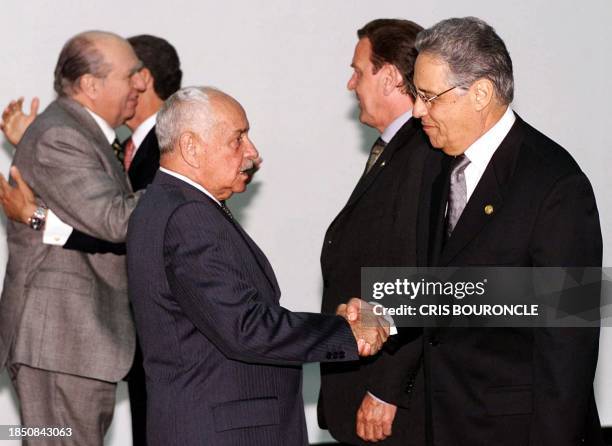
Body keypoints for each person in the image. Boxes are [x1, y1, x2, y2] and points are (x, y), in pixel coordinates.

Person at [378, 17, 603, 445]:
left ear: (480, 92)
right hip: (443, 423)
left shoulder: (556, 183)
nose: (417, 111)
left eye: (428, 97)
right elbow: (454, 290)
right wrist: (379, 312)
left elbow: (568, 346)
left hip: (515, 430)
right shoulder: (440, 166)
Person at [126, 86, 389, 445]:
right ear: (190, 147)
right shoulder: (189, 216)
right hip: (224, 432)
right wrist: (347, 331)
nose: (253, 152)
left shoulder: (161, 203)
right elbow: (246, 328)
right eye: (238, 139)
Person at [0, 36, 181, 444]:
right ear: (91, 85)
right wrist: (193, 177)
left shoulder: (85, 134)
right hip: (66, 339)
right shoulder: (65, 135)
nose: (139, 83)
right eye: (130, 74)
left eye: (140, 73)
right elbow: (116, 222)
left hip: (82, 340)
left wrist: (37, 218)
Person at [318, 18, 441, 445]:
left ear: (389, 76)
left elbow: (423, 281)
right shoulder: (398, 151)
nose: (351, 85)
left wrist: (389, 388)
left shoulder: (423, 153)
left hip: (391, 403)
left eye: (358, 70)